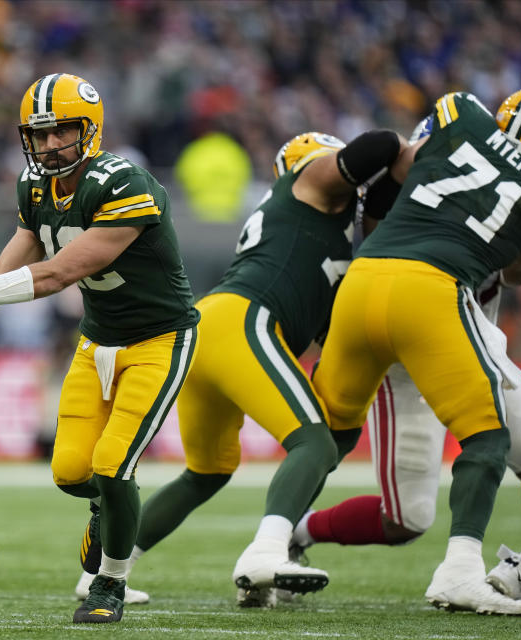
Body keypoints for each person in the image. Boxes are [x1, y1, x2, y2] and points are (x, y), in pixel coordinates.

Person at [0, 73, 200, 624]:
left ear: (89, 130)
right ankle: (107, 508)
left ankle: (109, 584)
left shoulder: (124, 183)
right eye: (38, 134)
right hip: (98, 339)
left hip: (159, 338)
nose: (48, 145)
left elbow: (61, 272)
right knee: (71, 470)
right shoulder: (35, 186)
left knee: (114, 467)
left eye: (60, 131)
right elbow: (8, 267)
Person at [92, 129, 409, 608]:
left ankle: (108, 571)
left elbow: (325, 328)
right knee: (314, 440)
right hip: (242, 321)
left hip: (214, 327)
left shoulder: (312, 228)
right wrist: (413, 151)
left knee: (207, 471)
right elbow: (379, 146)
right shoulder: (310, 185)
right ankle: (267, 552)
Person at [290, 112, 521, 607]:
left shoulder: (478, 150)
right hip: (411, 324)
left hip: (466, 328)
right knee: (405, 516)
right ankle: (290, 532)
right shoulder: (472, 163)